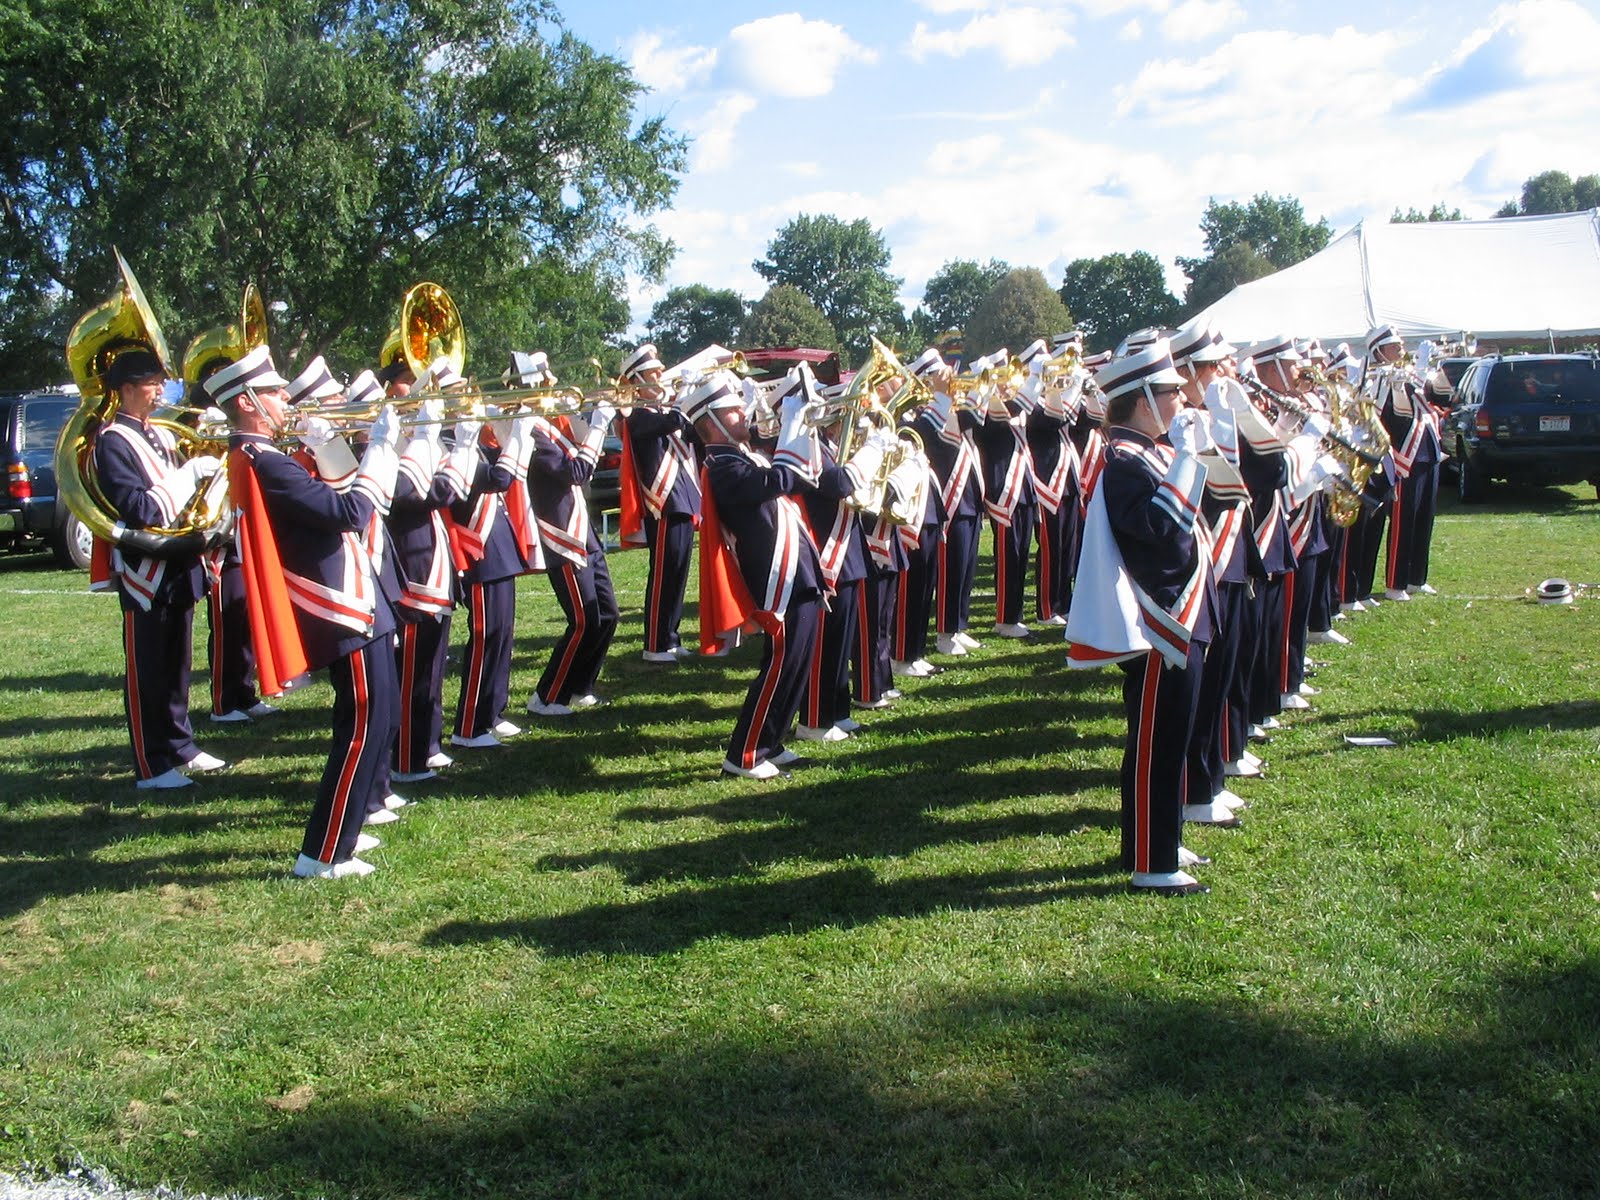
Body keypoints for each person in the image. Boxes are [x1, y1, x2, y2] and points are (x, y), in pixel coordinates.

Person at [214, 345, 401, 878]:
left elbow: (337, 496)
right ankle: (322, 854)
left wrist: (335, 448)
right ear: (248, 402)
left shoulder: (269, 457)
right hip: (335, 603)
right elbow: (348, 510)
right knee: (363, 725)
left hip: (353, 592)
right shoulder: (263, 461)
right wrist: (382, 451)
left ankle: (349, 828)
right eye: (273, 391)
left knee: (378, 717)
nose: (283, 397)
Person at [1065, 338, 1216, 896]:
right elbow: (1156, 532)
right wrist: (1185, 461)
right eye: (1173, 391)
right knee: (1157, 742)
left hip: (1174, 618)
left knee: (1163, 740)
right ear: (1146, 398)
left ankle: (1154, 840)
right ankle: (1153, 863)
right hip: (1159, 624)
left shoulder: (1143, 454)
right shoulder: (1124, 462)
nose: (1182, 400)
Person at [92, 349, 228, 789]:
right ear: (126, 389)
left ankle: (180, 744)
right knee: (148, 669)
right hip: (144, 569)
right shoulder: (113, 441)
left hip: (178, 560)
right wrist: (189, 474)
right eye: (150, 383)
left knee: (177, 664)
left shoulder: (161, 434)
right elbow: (139, 507)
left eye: (159, 382)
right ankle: (151, 763)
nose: (159, 390)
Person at [687, 369, 823, 780]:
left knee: (797, 661)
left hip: (794, 570)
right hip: (773, 576)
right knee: (781, 663)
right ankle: (743, 754)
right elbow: (779, 479)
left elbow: (792, 472)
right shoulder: (722, 466)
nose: (742, 414)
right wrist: (794, 421)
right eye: (732, 411)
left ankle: (772, 741)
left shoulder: (741, 455)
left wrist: (795, 411)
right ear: (710, 421)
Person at [524, 368, 621, 716]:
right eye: (546, 384)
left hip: (584, 533)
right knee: (582, 621)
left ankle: (581, 685)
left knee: (608, 614)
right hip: (562, 538)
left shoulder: (556, 425)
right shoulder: (532, 432)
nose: (554, 386)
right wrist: (597, 425)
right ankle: (548, 696)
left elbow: (583, 455)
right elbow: (576, 472)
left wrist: (590, 415)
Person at [617, 343, 701, 663]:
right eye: (654, 372)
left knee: (678, 573)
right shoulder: (637, 415)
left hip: (681, 500)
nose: (661, 376)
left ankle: (671, 636)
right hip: (663, 502)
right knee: (664, 574)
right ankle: (654, 643)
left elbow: (690, 431)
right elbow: (668, 424)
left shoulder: (662, 412)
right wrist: (683, 399)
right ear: (638, 379)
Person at [1367, 325, 1441, 600]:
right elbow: (1400, 414)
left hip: (1428, 452)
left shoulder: (1407, 372)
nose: (1401, 350)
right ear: (1379, 351)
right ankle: (1395, 582)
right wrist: (1418, 370)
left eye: (1401, 345)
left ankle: (1416, 577)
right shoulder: (1381, 379)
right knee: (1404, 520)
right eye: (1394, 347)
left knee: (1424, 517)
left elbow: (1441, 396)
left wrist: (1431, 365)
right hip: (1404, 457)